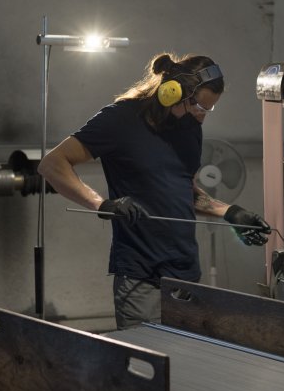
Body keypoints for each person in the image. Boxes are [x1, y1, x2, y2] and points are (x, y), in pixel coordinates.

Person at [38, 52, 271, 328]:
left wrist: (230, 212)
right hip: (142, 279)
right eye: (198, 106)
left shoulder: (189, 128)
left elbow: (183, 191)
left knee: (186, 366)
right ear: (172, 91)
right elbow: (52, 164)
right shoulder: (120, 120)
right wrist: (100, 204)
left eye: (208, 110)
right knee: (148, 367)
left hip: (186, 277)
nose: (201, 116)